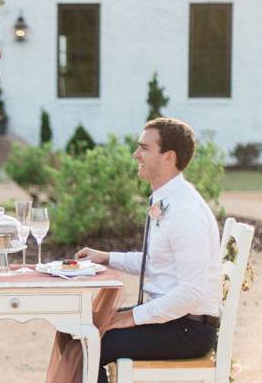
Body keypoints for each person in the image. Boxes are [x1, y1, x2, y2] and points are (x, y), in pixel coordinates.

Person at [76, 117, 221, 383]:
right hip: (172, 319)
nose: (136, 154)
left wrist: (131, 317)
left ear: (169, 157)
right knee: (82, 331)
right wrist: (107, 258)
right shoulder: (168, 199)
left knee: (88, 344)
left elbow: (191, 292)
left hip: (189, 329)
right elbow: (157, 262)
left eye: (144, 148)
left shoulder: (185, 211)